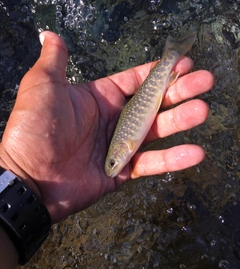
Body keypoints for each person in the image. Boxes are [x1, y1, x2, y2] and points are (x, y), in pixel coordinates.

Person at [0, 31, 214, 268]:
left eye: (112, 162)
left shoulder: (125, 146)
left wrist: (20, 173)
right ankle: (172, 52)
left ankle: (171, 54)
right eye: (113, 164)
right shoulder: (122, 148)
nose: (113, 168)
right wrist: (20, 174)